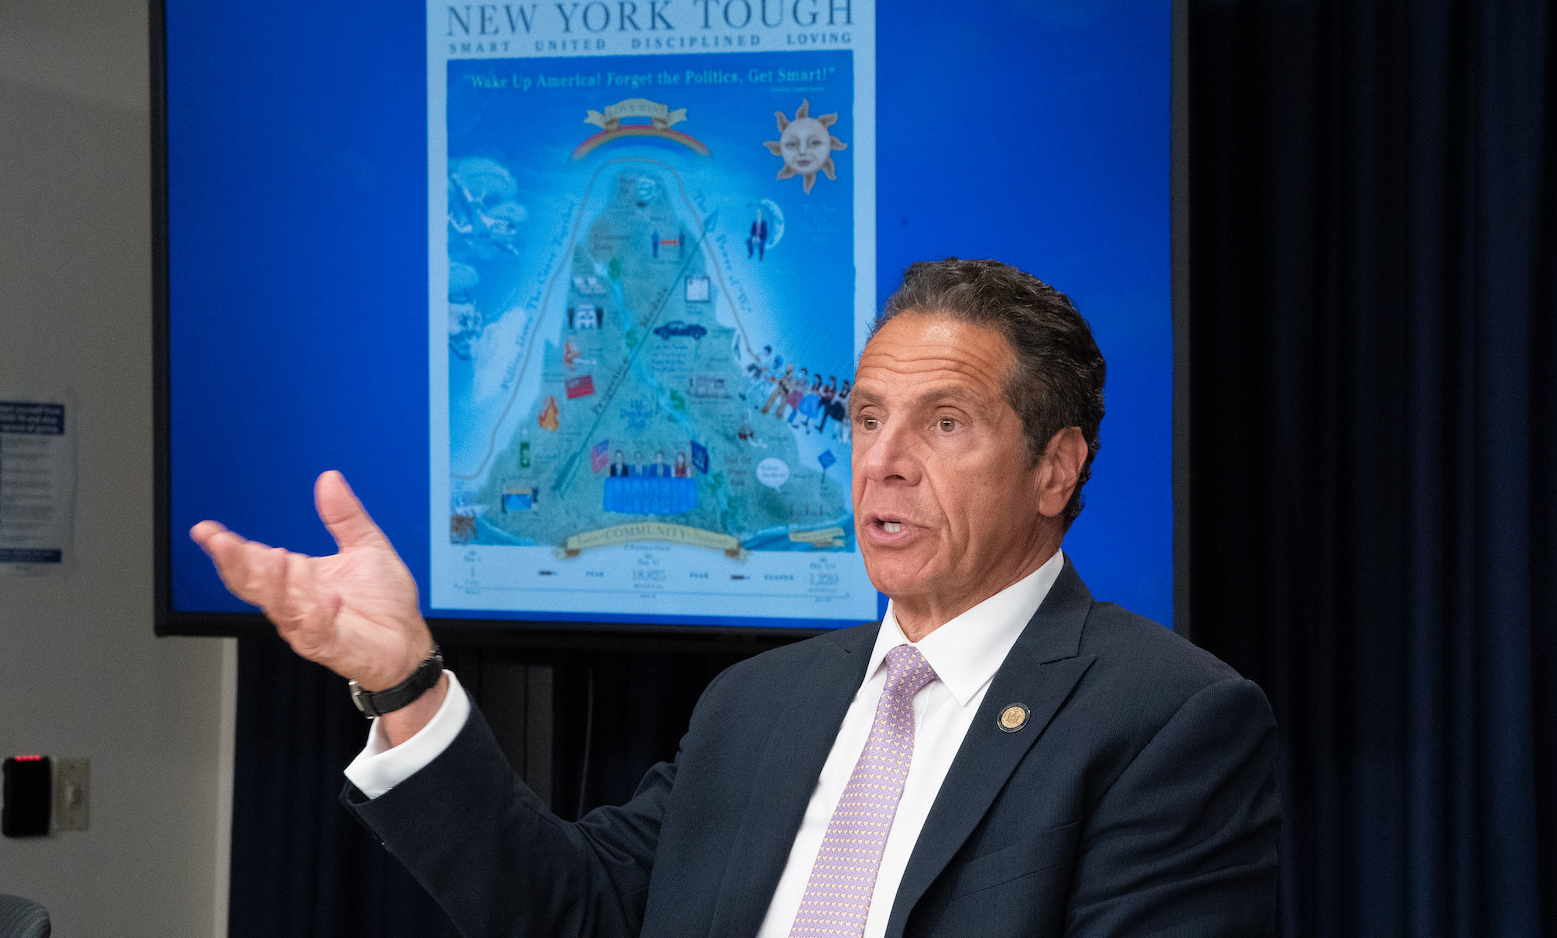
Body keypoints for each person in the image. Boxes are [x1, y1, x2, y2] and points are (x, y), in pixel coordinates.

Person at [191, 258, 1279, 938]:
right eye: (866, 419)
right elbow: (571, 911)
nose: (883, 462)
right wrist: (404, 683)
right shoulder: (758, 706)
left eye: (944, 424)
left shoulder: (1165, 718)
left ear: (1056, 468)